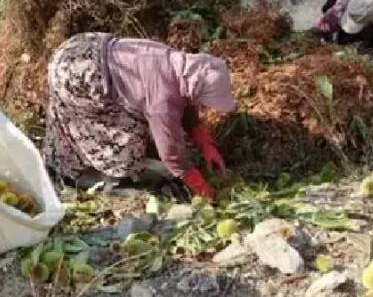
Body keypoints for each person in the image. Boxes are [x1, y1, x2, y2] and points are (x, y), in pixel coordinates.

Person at [43, 32, 236, 200]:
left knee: (72, 118)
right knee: (125, 133)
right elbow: (170, 153)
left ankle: (61, 162)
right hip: (80, 73)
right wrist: (197, 184)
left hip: (80, 48)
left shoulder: (177, 64)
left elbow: (185, 99)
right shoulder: (162, 101)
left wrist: (205, 143)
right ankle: (113, 178)